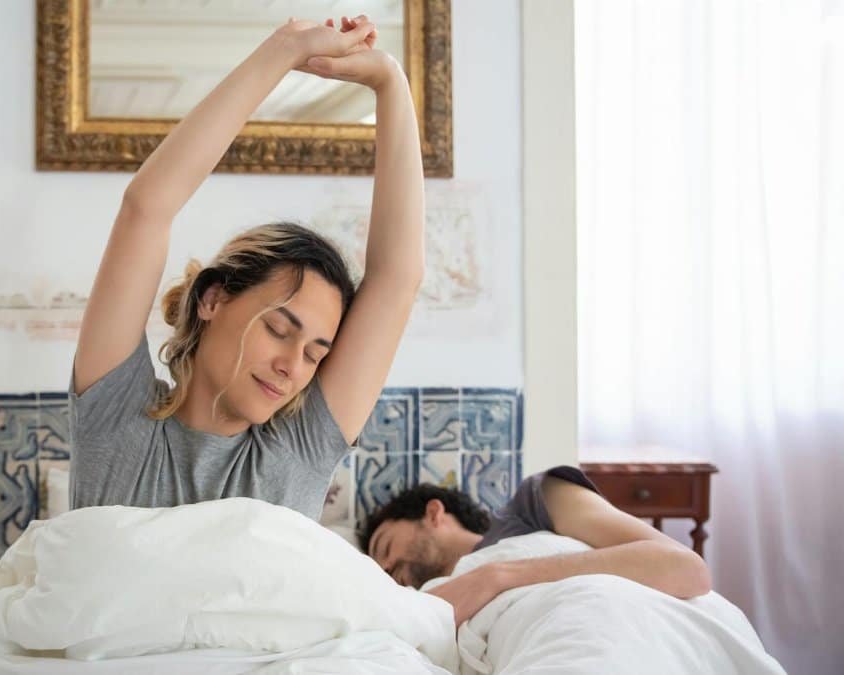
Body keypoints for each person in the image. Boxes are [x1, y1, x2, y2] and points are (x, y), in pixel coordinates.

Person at [68, 15, 425, 520]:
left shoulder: (299, 448)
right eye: (280, 329)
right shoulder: (116, 416)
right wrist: (284, 49)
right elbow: (146, 208)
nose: (292, 368)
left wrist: (391, 82)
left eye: (315, 356)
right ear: (213, 299)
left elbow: (397, 279)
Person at [359, 466, 713, 624]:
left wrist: (496, 576)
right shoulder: (423, 607)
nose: (387, 570)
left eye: (384, 547)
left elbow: (686, 569)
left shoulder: (534, 504)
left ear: (433, 513)